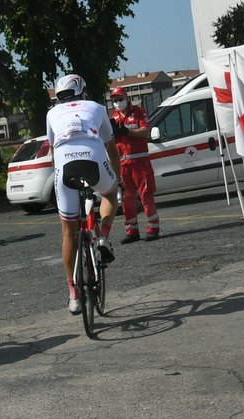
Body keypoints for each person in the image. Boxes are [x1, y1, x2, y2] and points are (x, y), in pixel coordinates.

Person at [46, 72, 121, 316]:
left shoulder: (51, 113)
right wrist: (117, 180)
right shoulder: (97, 107)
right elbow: (112, 147)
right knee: (110, 195)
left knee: (68, 231)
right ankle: (103, 237)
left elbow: (52, 147)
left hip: (64, 167)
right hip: (94, 160)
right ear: (82, 91)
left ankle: (73, 294)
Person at [108, 86, 159, 243]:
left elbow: (145, 132)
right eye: (115, 100)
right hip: (123, 164)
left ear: (127, 98)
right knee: (127, 199)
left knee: (146, 195)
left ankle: (153, 227)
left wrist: (127, 131)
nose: (118, 102)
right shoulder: (113, 118)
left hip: (140, 163)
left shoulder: (138, 112)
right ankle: (132, 231)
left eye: (120, 99)